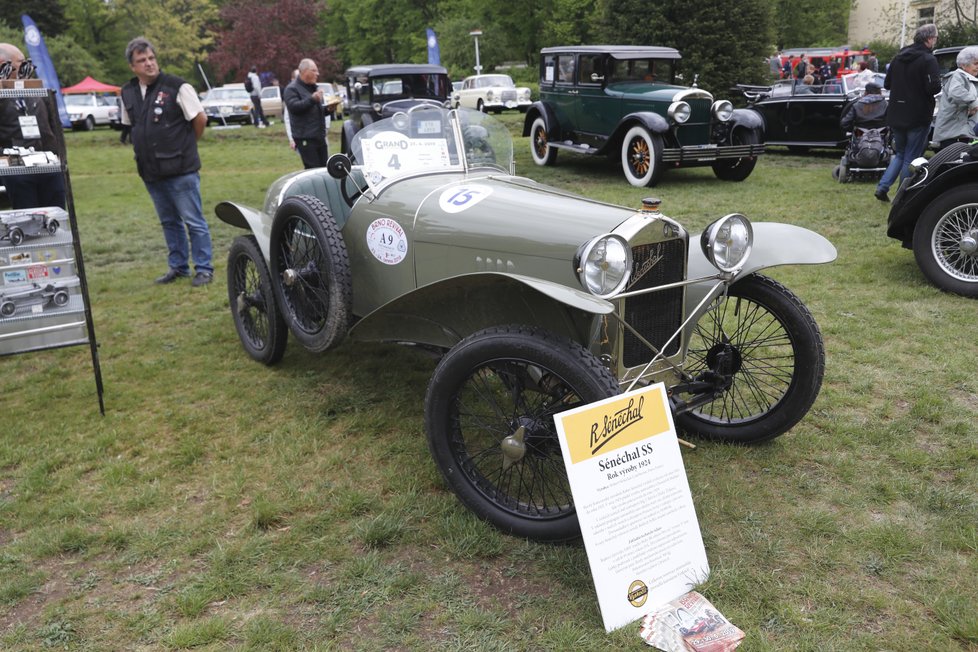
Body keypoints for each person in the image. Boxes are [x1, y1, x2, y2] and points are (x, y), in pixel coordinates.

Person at [120, 36, 214, 286]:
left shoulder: (177, 86)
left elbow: (200, 119)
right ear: (132, 66)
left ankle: (204, 268)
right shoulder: (127, 91)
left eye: (151, 58)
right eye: (142, 60)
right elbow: (131, 126)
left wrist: (186, 145)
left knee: (194, 221)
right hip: (150, 171)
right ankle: (178, 267)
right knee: (169, 222)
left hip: (181, 168)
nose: (149, 63)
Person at [874, 23, 941, 202]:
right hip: (917, 114)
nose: (935, 41)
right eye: (935, 38)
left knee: (901, 153)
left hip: (897, 112)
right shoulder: (928, 60)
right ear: (929, 39)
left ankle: (883, 187)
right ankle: (902, 195)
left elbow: (887, 84)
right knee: (911, 156)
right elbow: (934, 88)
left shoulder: (898, 58)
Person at [0, 43, 66, 210]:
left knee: (56, 217)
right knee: (28, 220)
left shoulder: (36, 90)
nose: (26, 70)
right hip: (16, 168)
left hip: (48, 164)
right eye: (21, 65)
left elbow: (54, 126)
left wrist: (59, 156)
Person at [283, 58, 327, 169]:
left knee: (325, 170)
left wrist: (329, 109)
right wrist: (312, 99)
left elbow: (315, 111)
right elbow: (294, 107)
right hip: (305, 138)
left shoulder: (313, 88)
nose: (317, 74)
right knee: (313, 170)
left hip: (319, 137)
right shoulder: (291, 89)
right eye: (314, 70)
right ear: (304, 71)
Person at [932, 46, 978, 149]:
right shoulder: (957, 76)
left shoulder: (969, 78)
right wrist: (974, 103)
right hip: (951, 133)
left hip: (961, 132)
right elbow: (956, 92)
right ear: (963, 65)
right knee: (951, 161)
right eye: (975, 64)